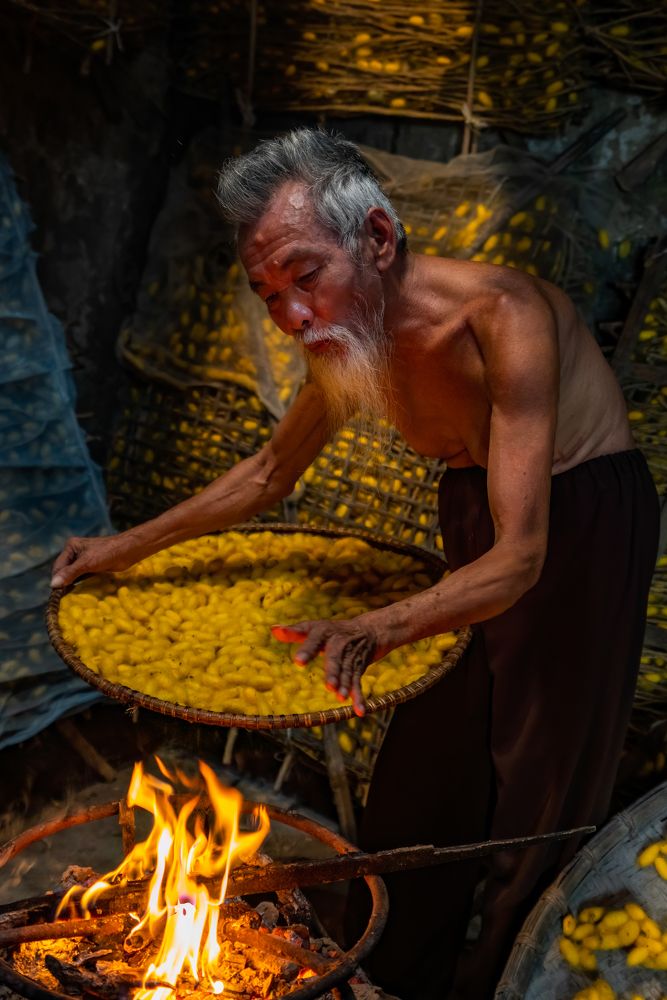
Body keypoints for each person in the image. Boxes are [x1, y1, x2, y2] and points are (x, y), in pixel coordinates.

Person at [51, 128, 659, 999]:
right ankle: (387, 974)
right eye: (268, 293)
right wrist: (122, 546)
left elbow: (523, 554)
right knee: (423, 775)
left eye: (305, 275)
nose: (292, 314)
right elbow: (270, 472)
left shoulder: (501, 318)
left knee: (539, 790)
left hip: (577, 522)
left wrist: (378, 624)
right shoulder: (344, 333)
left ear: (376, 239)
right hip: (474, 512)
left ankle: (499, 981)